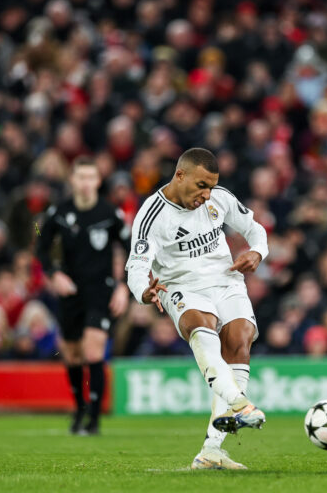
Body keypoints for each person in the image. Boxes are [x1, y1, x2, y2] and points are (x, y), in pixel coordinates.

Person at [125, 148, 269, 470]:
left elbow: (254, 228)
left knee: (240, 337)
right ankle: (240, 404)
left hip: (226, 280)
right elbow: (137, 264)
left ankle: (211, 451)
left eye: (211, 187)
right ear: (180, 175)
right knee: (203, 330)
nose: (206, 195)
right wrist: (143, 292)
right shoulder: (152, 215)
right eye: (201, 186)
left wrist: (258, 252)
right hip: (182, 287)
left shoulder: (219, 198)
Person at [36, 157, 130, 435]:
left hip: (101, 290)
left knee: (93, 350)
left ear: (98, 182)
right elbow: (39, 239)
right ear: (73, 181)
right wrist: (54, 273)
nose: (87, 183)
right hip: (70, 291)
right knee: (73, 355)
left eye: (92, 177)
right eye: (82, 177)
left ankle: (94, 420)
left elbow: (131, 247)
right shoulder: (58, 212)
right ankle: (79, 410)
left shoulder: (110, 213)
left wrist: (124, 285)